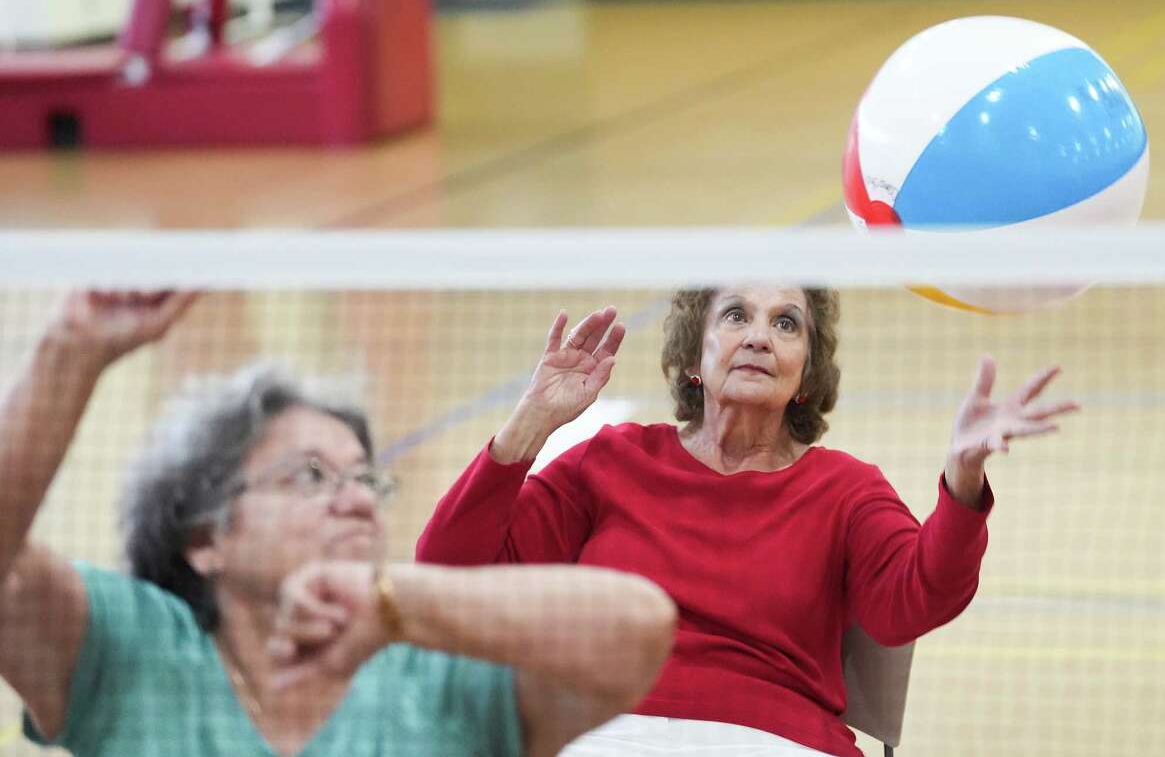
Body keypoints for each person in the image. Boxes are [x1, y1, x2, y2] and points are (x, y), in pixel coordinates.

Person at [0, 290, 677, 757]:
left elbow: (639, 627)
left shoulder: (439, 675)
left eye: (364, 478)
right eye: (310, 476)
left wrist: (395, 601)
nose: (356, 500)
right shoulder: (125, 651)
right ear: (207, 538)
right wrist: (71, 348)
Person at [416, 286, 1079, 757]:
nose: (761, 334)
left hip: (777, 742)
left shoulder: (845, 489)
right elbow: (448, 576)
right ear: (695, 360)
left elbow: (915, 599)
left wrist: (962, 482)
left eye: (787, 323)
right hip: (607, 732)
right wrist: (531, 421)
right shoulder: (610, 462)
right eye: (736, 315)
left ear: (807, 379)